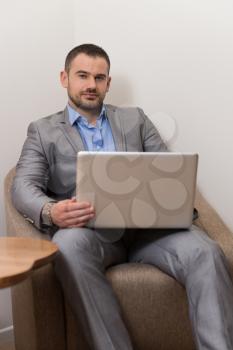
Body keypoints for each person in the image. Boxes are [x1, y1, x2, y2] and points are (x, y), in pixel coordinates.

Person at [12, 43, 233, 350]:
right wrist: (51, 211)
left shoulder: (136, 119)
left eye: (99, 77)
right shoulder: (42, 130)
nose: (91, 84)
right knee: (66, 245)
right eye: (83, 75)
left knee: (206, 253)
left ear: (108, 83)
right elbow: (22, 185)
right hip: (91, 234)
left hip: (153, 231)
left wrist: (177, 204)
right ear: (65, 78)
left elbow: (168, 170)